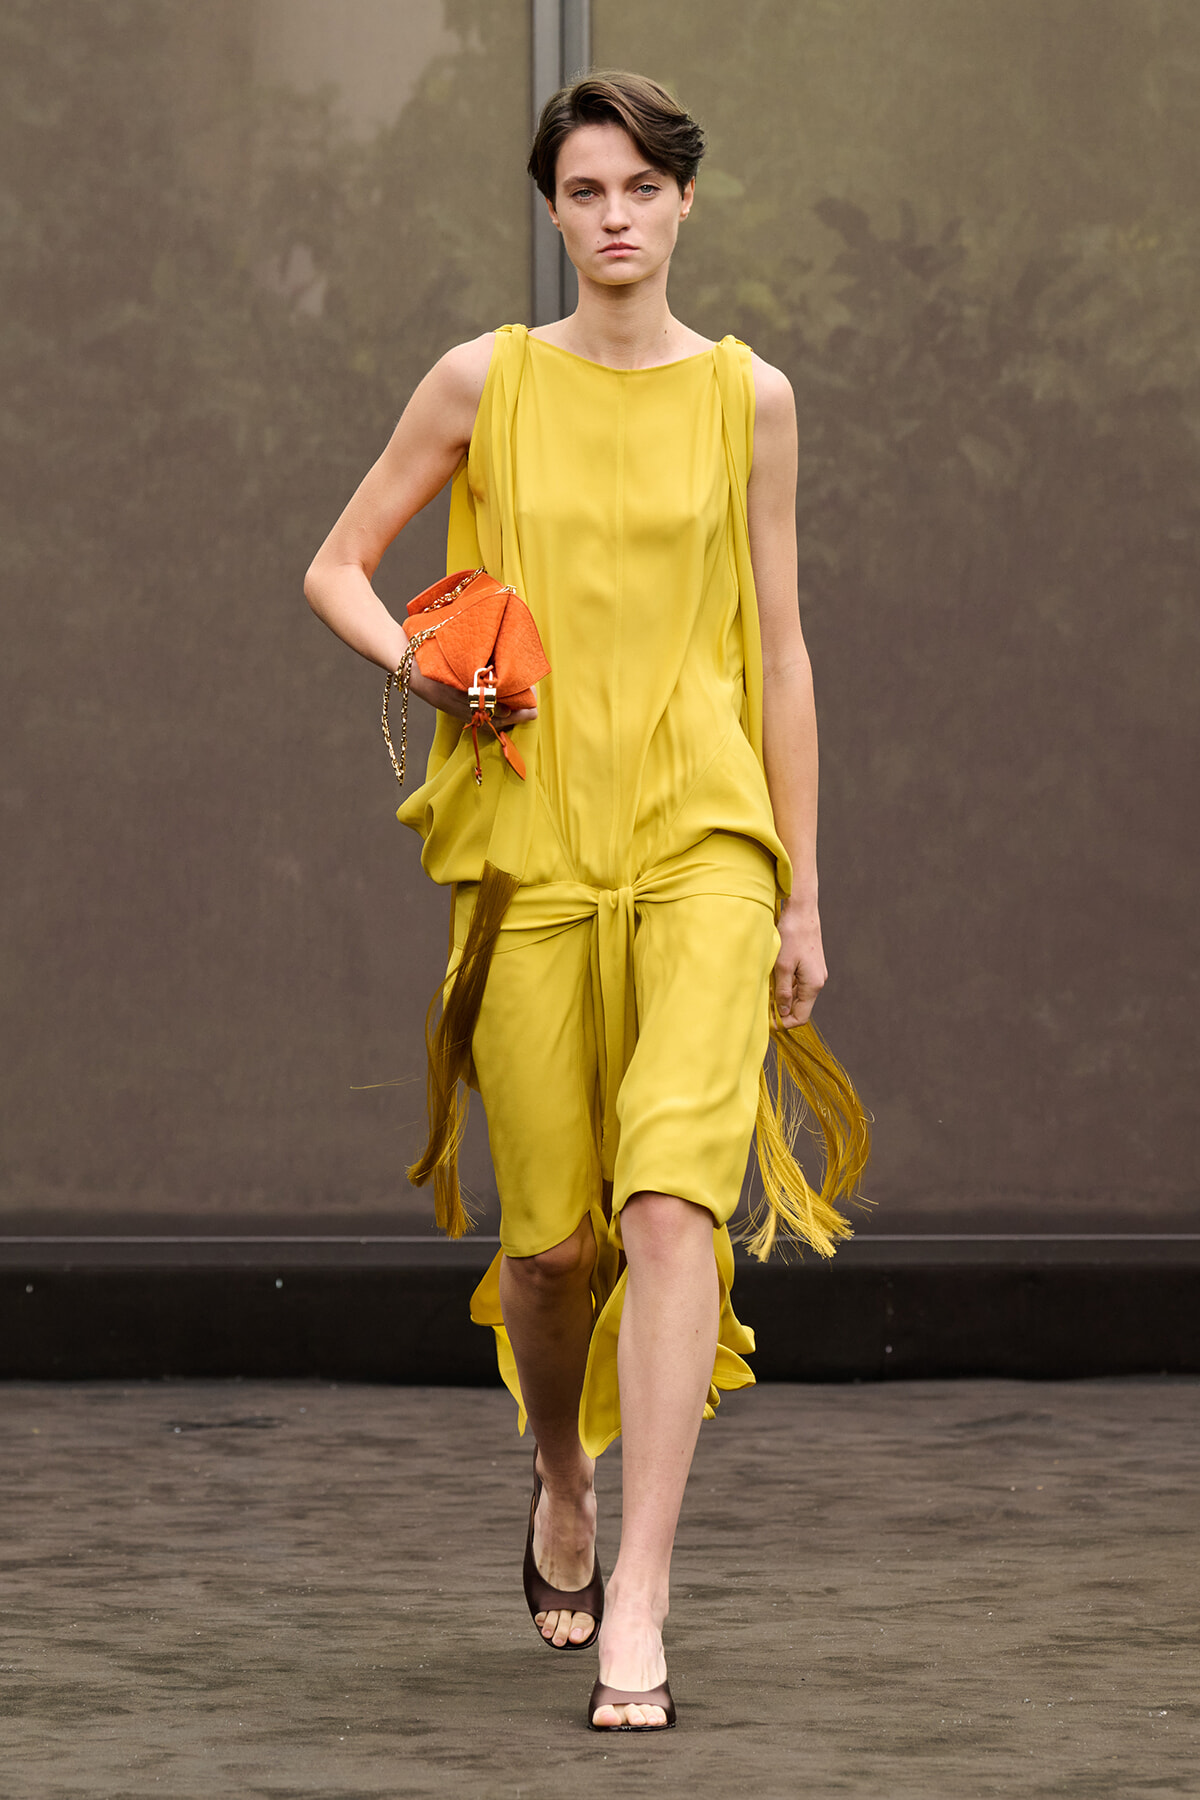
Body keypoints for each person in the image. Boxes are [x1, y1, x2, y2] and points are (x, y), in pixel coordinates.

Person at [305, 71, 867, 1734]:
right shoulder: (486, 380)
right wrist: (428, 667)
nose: (614, 216)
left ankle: (643, 1592)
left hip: (706, 836)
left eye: (640, 188)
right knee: (553, 1250)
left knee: (675, 1203)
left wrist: (800, 892)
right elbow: (336, 565)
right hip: (535, 843)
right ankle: (562, 1470)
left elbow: (782, 648)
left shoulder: (751, 398)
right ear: (553, 212)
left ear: (685, 201)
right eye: (584, 191)